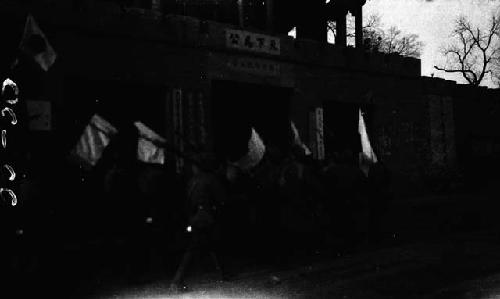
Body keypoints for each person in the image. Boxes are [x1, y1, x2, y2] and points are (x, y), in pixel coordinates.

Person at [169, 152, 227, 293]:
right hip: (206, 216)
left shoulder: (192, 181)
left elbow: (188, 202)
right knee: (195, 248)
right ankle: (176, 282)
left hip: (196, 216)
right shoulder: (210, 179)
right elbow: (221, 199)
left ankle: (225, 273)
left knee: (212, 243)